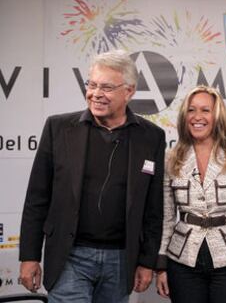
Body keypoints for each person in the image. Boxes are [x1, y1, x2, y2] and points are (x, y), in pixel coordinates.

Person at [19, 50, 165, 302]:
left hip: (121, 261)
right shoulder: (58, 128)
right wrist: (29, 256)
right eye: (92, 84)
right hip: (69, 257)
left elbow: (153, 208)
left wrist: (147, 261)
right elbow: (37, 199)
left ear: (128, 91)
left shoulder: (151, 136)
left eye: (107, 87)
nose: (96, 93)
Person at [155, 85, 226, 303]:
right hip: (183, 260)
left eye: (205, 110)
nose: (197, 117)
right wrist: (161, 265)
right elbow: (166, 218)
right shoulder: (170, 158)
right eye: (191, 110)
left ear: (217, 116)